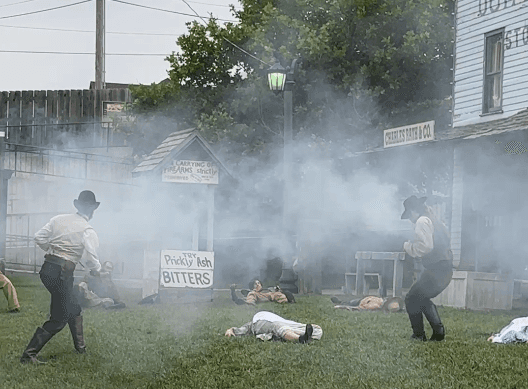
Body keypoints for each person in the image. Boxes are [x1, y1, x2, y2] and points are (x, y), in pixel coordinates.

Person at [20, 190, 102, 364]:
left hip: (47, 270)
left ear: (78, 205)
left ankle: (81, 348)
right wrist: (97, 270)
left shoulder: (58, 219)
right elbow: (92, 257)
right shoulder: (88, 230)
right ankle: (28, 355)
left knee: (74, 307)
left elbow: (38, 237)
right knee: (59, 317)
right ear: (92, 210)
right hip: (62, 274)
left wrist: (53, 249)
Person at [401, 195, 453, 341]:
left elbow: (426, 247)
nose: (410, 220)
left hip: (437, 269)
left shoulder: (422, 221)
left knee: (411, 298)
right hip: (443, 267)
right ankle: (438, 332)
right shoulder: (432, 219)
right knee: (421, 297)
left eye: (409, 215)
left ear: (412, 211)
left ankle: (419, 335)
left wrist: (408, 247)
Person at [224, 310, 322, 343]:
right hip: (266, 323)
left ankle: (303, 335)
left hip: (279, 321)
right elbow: (236, 330)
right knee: (278, 327)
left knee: (317, 330)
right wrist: (230, 330)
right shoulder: (254, 323)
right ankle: (300, 339)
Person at [330, 295, 404, 313]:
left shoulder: (375, 306)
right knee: (350, 301)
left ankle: (340, 302)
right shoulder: (383, 299)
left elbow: (359, 308)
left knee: (350, 303)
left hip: (360, 302)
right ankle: (341, 302)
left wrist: (341, 307)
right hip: (364, 299)